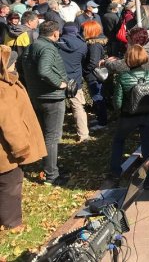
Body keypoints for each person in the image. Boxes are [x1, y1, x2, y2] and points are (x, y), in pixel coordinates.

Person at [0, 46, 46, 230]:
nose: (15, 64)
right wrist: (20, 148)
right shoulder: (3, 89)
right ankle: (12, 223)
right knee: (11, 182)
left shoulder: (8, 83)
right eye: (11, 62)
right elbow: (9, 123)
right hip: (4, 151)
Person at [21, 21, 69, 186]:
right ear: (55, 33)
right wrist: (60, 83)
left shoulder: (31, 46)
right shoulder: (47, 48)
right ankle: (52, 175)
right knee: (52, 137)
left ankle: (49, 166)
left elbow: (22, 69)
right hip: (52, 97)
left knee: (45, 135)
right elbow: (44, 70)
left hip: (37, 96)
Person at [110, 45, 149, 189]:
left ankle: (115, 172)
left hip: (128, 116)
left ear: (127, 58)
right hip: (147, 114)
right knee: (147, 146)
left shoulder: (122, 77)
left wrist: (121, 112)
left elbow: (117, 102)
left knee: (119, 141)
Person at [57, 24, 90, 142]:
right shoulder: (82, 45)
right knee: (78, 107)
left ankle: (55, 135)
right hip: (75, 79)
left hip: (58, 79)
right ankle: (83, 134)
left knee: (56, 108)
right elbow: (84, 60)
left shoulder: (56, 44)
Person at [81, 21, 108, 130]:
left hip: (94, 76)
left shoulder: (94, 45)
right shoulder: (94, 43)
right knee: (97, 96)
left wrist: (85, 71)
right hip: (94, 75)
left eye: (84, 30)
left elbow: (93, 62)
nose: (82, 32)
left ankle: (102, 122)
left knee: (98, 97)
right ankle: (100, 118)